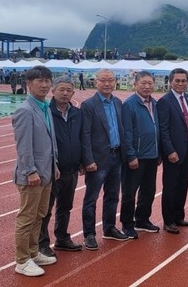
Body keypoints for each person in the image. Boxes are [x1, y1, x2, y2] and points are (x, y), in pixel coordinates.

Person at [12, 66, 58, 277]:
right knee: (27, 217)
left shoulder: (45, 107)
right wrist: (30, 171)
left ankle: (33, 252)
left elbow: (50, 142)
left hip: (46, 172)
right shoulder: (25, 110)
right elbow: (24, 146)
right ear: (29, 84)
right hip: (32, 175)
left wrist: (54, 165)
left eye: (47, 80)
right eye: (39, 80)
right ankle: (22, 261)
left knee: (39, 215)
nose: (45, 84)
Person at [81, 69, 129, 250]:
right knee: (91, 198)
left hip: (116, 156)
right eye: (103, 80)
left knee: (112, 196)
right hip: (98, 159)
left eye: (111, 80)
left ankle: (109, 228)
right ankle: (89, 234)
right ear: (96, 82)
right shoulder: (88, 105)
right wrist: (88, 160)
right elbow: (85, 135)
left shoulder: (117, 102)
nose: (107, 83)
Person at [38, 76, 83, 257]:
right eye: (61, 89)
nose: (65, 93)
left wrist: (82, 161)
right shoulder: (46, 113)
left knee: (65, 207)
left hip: (72, 169)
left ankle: (62, 238)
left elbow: (81, 138)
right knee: (45, 210)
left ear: (73, 92)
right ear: (53, 91)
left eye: (68, 90)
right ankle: (42, 244)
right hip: (53, 171)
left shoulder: (76, 113)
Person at [120, 71, 161, 238]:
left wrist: (159, 154)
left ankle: (143, 219)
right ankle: (127, 224)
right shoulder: (129, 105)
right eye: (143, 83)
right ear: (135, 84)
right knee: (129, 192)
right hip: (136, 157)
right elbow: (127, 133)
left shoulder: (155, 104)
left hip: (152, 155)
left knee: (148, 191)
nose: (147, 86)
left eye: (150, 83)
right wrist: (131, 155)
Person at [157, 68, 188, 234]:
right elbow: (163, 129)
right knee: (170, 186)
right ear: (170, 82)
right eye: (177, 81)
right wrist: (170, 150)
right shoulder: (165, 101)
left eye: (184, 81)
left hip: (187, 148)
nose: (181, 83)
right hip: (173, 152)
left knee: (183, 184)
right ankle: (168, 220)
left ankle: (179, 215)